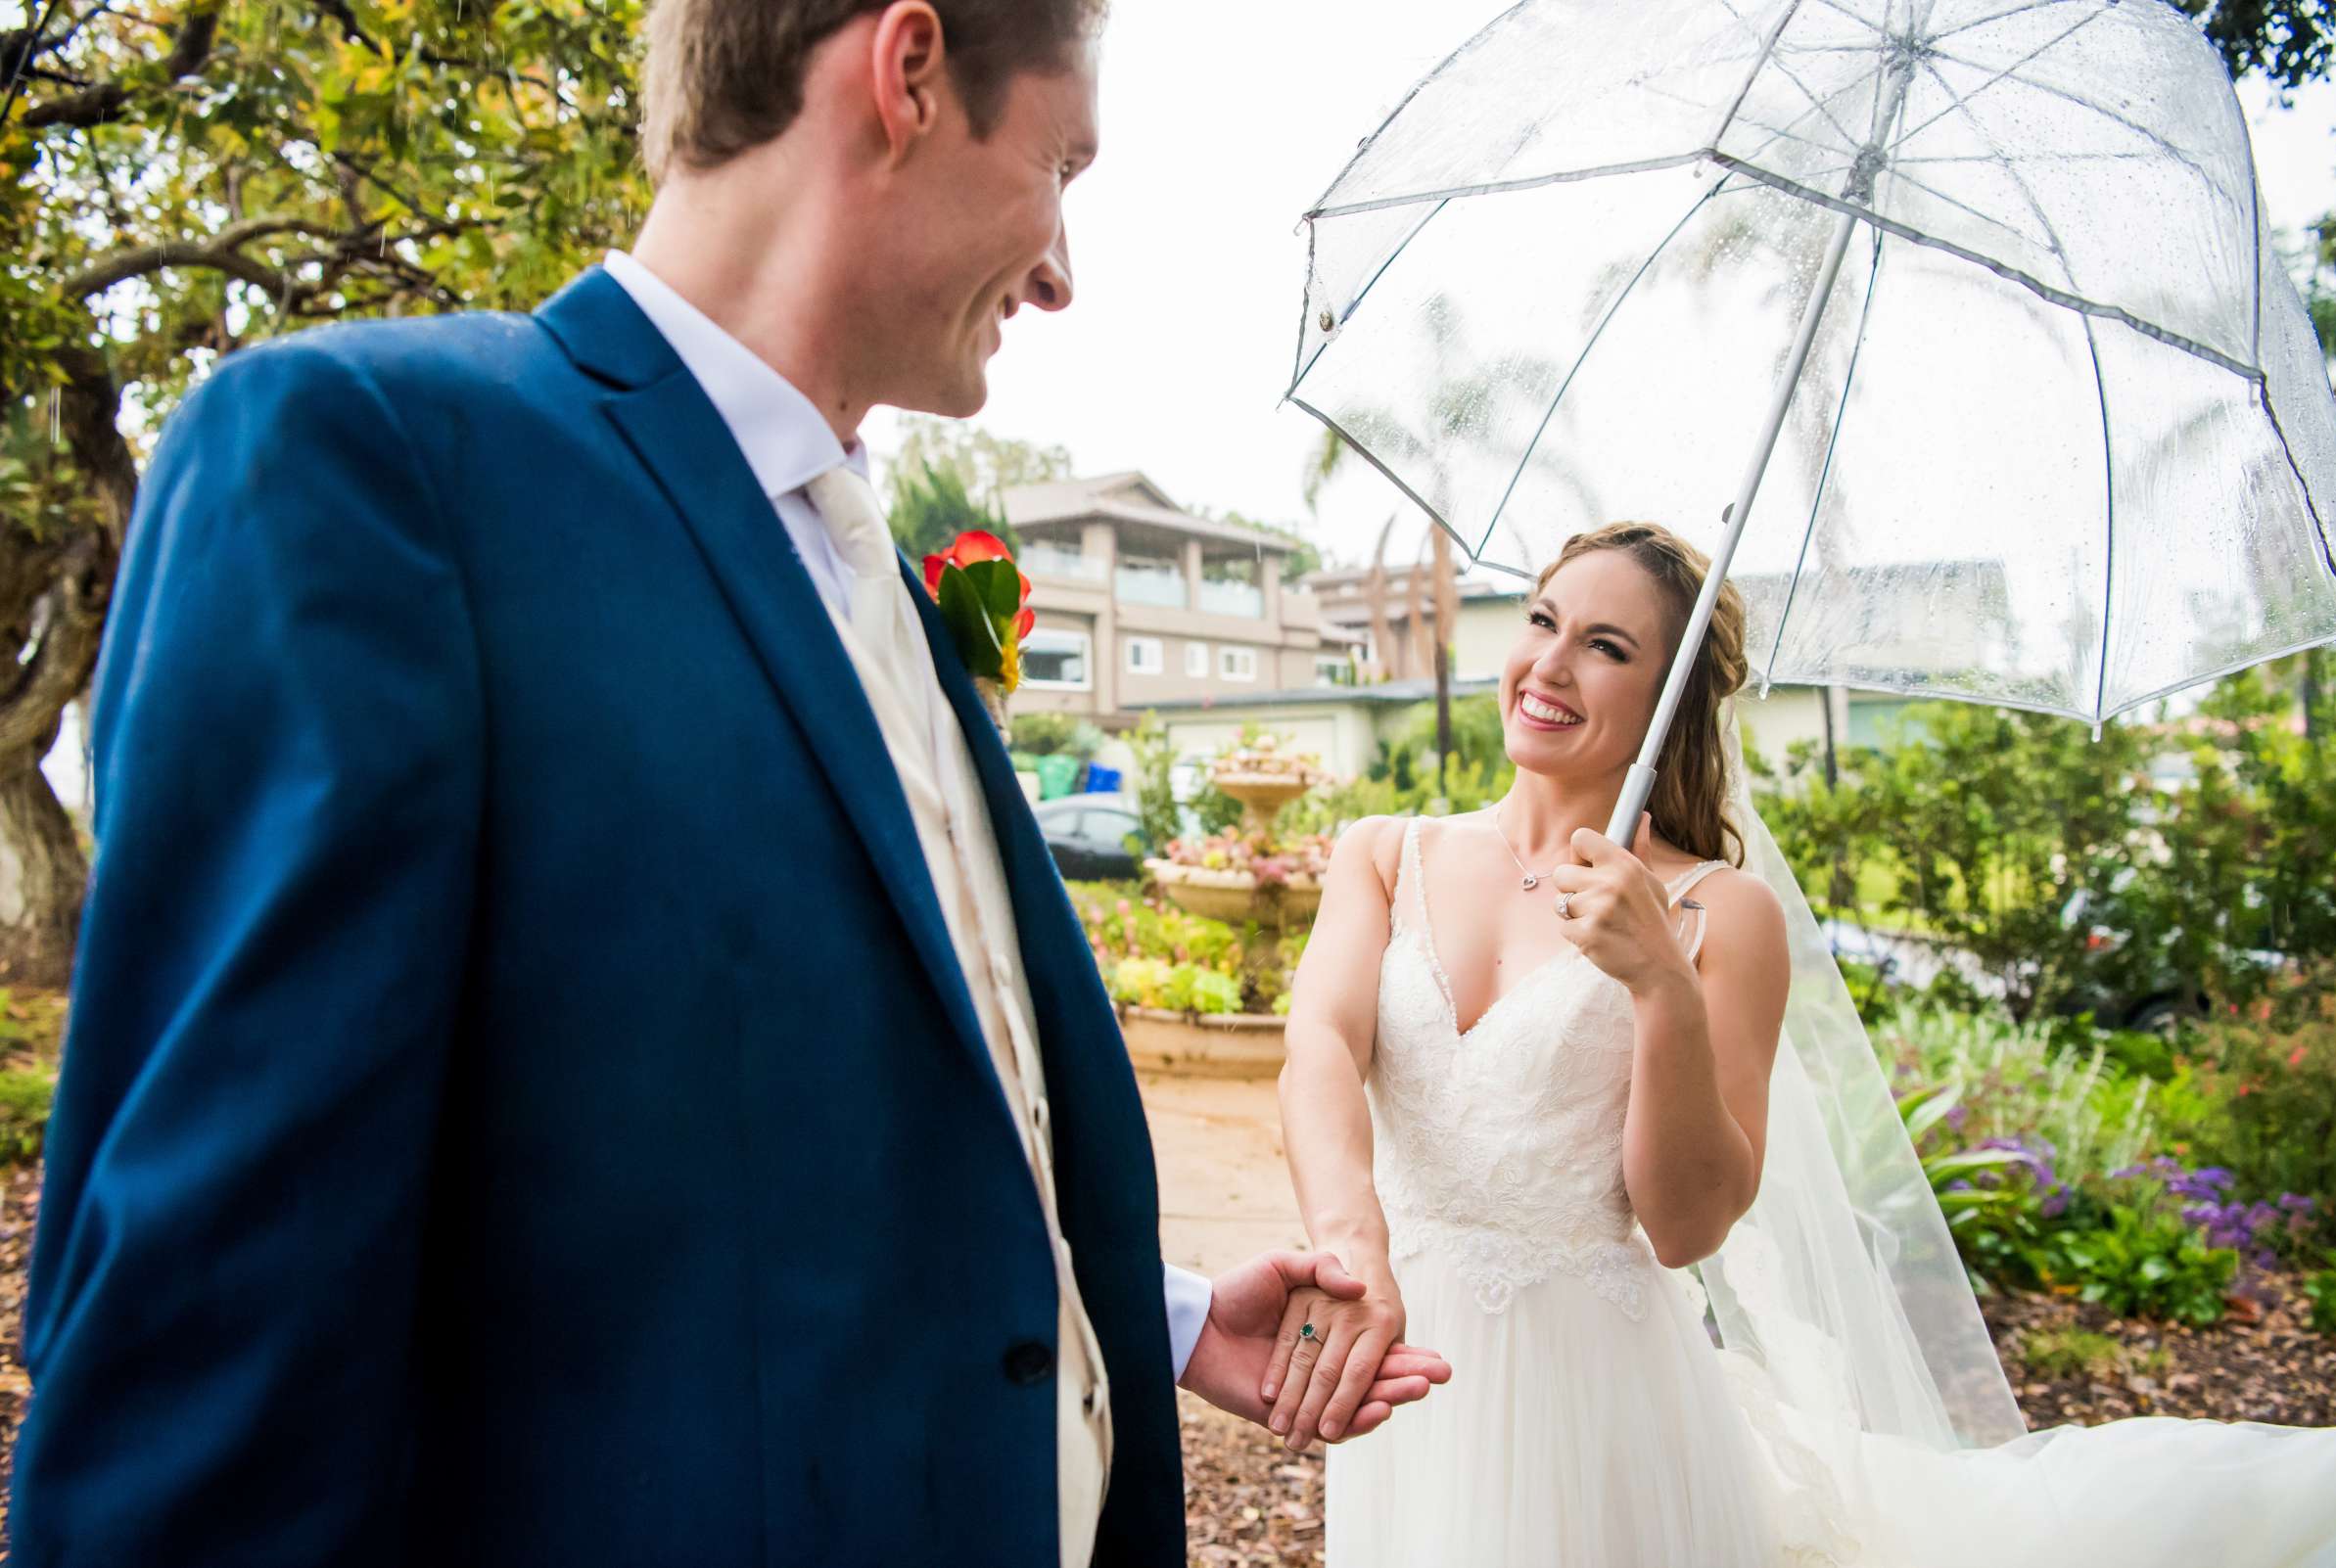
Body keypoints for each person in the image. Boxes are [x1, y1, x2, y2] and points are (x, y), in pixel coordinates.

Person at [8, 3, 1448, 1564]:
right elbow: (211, 1372)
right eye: (1060, 165)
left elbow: (732, 1144)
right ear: (906, 73)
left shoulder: (885, 584)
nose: (1059, 270)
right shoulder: (374, 470)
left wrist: (1142, 1315)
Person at [1278, 521, 2336, 1566]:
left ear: (1670, 701)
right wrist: (1350, 1244)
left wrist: (1659, 983)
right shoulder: (1384, 854)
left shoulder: (1719, 914)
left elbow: (1689, 1224)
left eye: (1607, 648)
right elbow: (1320, 1043)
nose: (1549, 665)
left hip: (1594, 1398)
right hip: (1396, 1351)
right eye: (1544, 621)